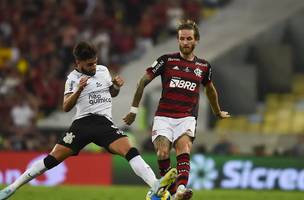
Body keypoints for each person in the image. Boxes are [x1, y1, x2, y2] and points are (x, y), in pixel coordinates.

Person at [0, 41, 177, 200]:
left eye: (95, 62)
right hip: (82, 124)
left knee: (130, 150)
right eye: (89, 64)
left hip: (103, 123)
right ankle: (12, 188)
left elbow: (112, 94)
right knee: (52, 159)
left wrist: (115, 86)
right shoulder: (72, 79)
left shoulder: (102, 70)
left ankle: (155, 186)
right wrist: (78, 89)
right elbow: (66, 107)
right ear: (78, 63)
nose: (94, 67)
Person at [123, 20, 230, 200]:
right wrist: (134, 110)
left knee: (184, 148)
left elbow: (210, 90)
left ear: (196, 41)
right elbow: (142, 81)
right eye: (182, 38)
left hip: (186, 117)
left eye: (189, 39)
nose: (185, 42)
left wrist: (217, 111)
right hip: (164, 116)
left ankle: (180, 189)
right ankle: (173, 194)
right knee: (162, 152)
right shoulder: (166, 60)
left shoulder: (204, 67)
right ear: (178, 40)